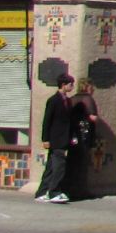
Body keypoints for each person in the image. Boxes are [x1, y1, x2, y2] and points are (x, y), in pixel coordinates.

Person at [35, 74, 76, 204]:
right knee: (59, 166)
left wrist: (72, 136)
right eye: (70, 84)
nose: (72, 86)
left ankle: (41, 192)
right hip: (56, 139)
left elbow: (69, 121)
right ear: (63, 85)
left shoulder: (67, 101)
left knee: (51, 167)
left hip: (64, 138)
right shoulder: (53, 100)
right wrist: (45, 139)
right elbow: (47, 121)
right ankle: (54, 192)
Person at [67, 79, 100, 200]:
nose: (93, 89)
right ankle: (80, 190)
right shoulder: (88, 99)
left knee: (72, 164)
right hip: (83, 135)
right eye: (92, 86)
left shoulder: (73, 99)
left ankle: (70, 189)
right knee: (82, 164)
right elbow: (93, 117)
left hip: (73, 135)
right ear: (87, 87)